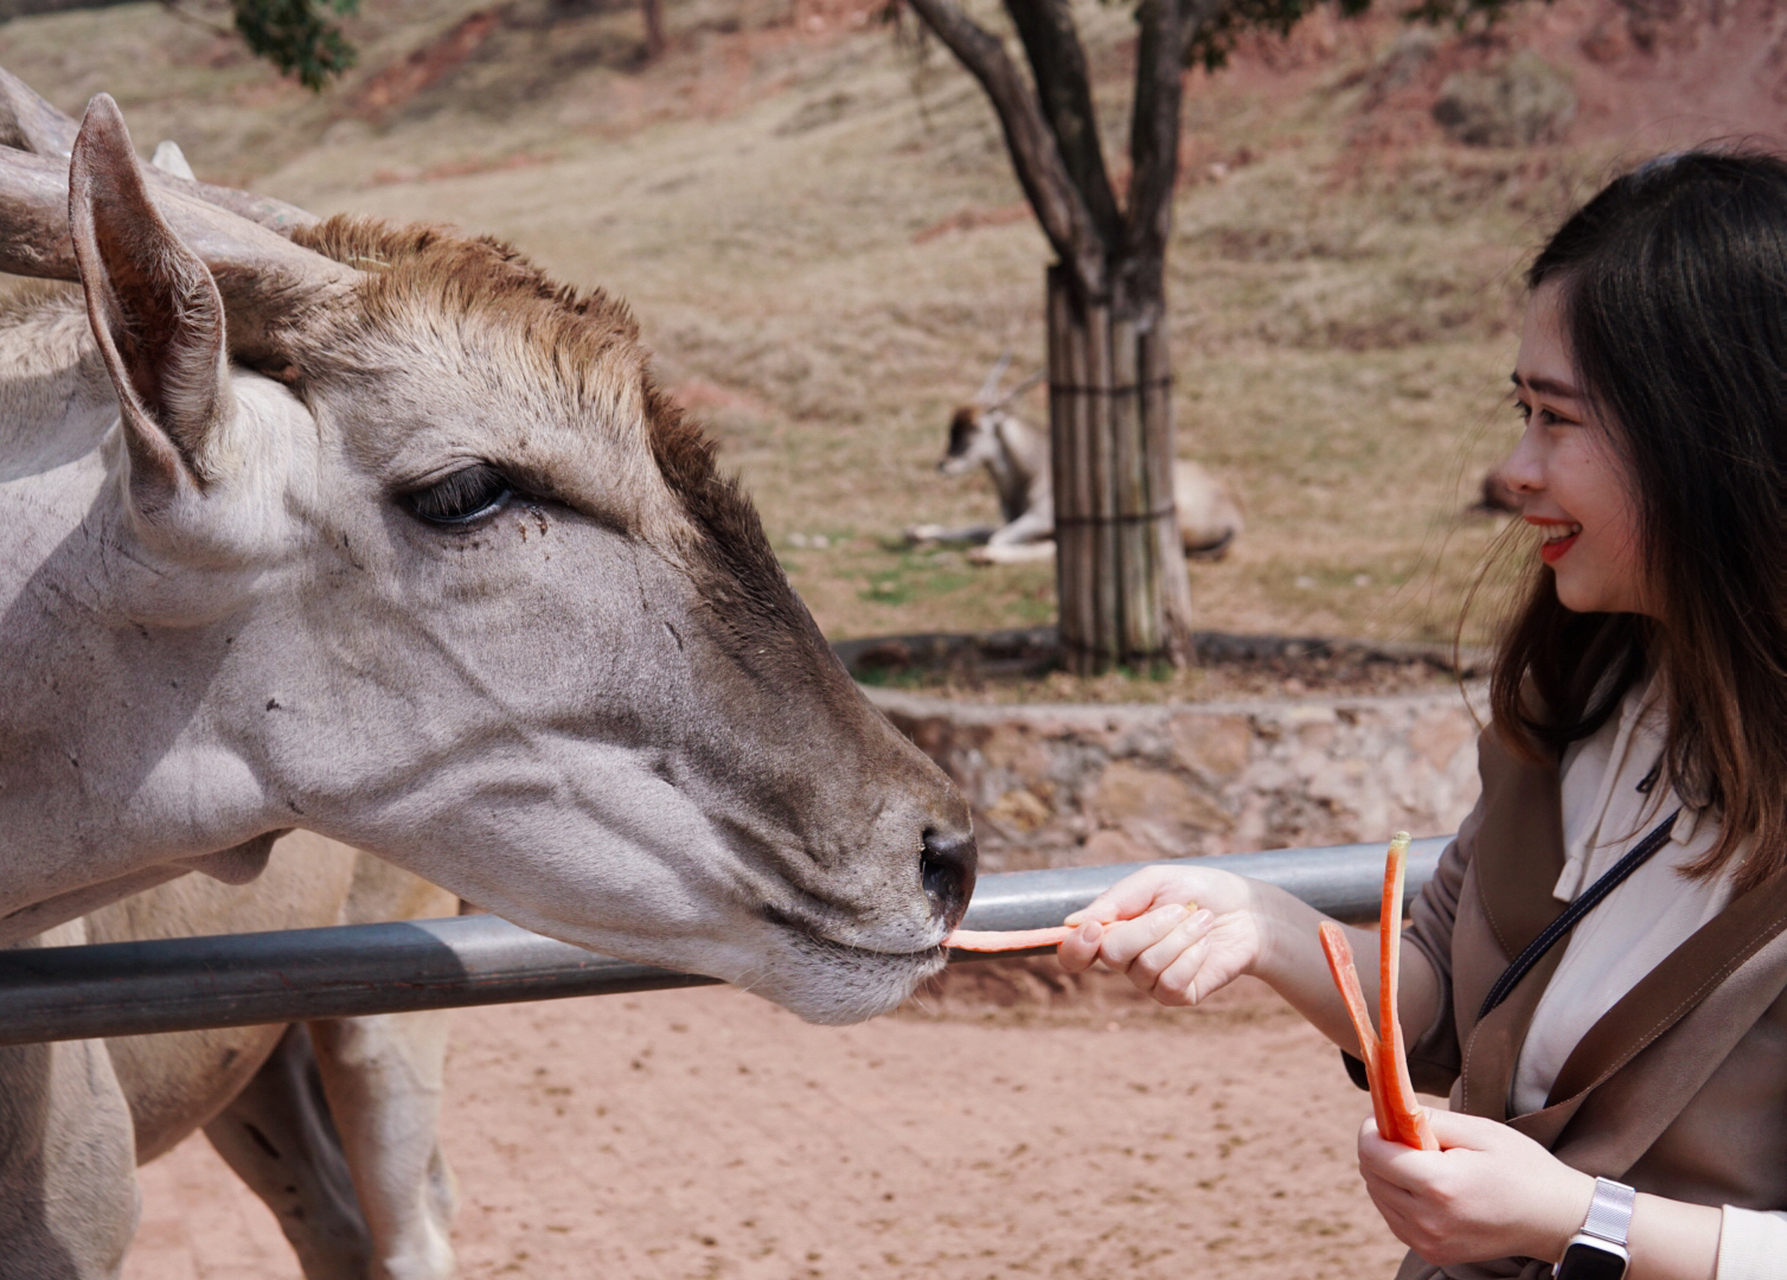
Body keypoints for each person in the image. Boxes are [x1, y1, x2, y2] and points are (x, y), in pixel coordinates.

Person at [1056, 150, 1787, 1280]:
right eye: (1519, 409)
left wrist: (1576, 1221)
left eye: (1555, 418)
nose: (1513, 467)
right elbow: (1444, 999)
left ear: (1708, 433)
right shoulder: (1576, 695)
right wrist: (1259, 922)